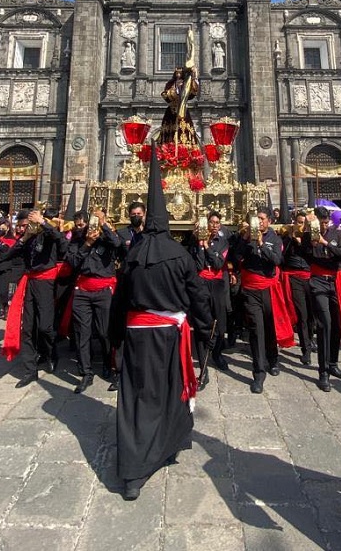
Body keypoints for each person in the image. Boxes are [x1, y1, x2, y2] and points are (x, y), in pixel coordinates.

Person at [109, 144, 213, 501]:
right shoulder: (180, 255)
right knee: (171, 389)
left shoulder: (134, 256)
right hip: (170, 336)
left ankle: (138, 469)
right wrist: (206, 325)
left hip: (138, 337)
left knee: (137, 397)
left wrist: (114, 337)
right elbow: (198, 295)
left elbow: (120, 300)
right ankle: (149, 457)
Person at [1, 209, 69, 387]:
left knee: (45, 326)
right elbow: (8, 255)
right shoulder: (28, 238)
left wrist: (44, 223)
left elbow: (62, 242)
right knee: (28, 327)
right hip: (29, 281)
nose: (25, 228)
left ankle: (50, 352)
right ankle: (30, 370)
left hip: (45, 282)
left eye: (29, 224)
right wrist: (24, 238)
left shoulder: (48, 235)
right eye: (22, 226)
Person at [231, 207, 293, 394]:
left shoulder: (274, 238)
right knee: (256, 329)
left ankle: (273, 359)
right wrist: (245, 239)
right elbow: (236, 257)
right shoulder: (247, 237)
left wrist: (261, 244)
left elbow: (276, 260)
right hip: (251, 291)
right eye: (257, 218)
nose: (259, 222)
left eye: (262, 219)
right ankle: (258, 373)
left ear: (269, 221)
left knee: (270, 326)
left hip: (269, 289)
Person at [66, 207, 121, 393]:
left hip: (103, 290)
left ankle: (107, 363)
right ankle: (86, 373)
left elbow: (118, 243)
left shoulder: (107, 237)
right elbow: (72, 261)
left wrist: (103, 223)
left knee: (105, 332)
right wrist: (87, 243)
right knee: (82, 332)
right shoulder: (78, 238)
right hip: (82, 290)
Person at [307, 206, 341, 392]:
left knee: (337, 323)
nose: (324, 225)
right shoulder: (308, 237)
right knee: (325, 323)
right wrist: (312, 245)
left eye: (326, 222)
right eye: (321, 223)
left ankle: (333, 363)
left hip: (335, 282)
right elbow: (308, 256)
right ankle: (323, 372)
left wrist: (326, 244)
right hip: (318, 282)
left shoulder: (336, 234)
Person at [189, 210, 230, 381]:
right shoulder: (196, 241)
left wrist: (207, 247)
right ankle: (203, 364)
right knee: (201, 322)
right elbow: (198, 264)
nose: (214, 225)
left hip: (217, 284)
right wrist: (199, 243)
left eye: (216, 223)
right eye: (211, 222)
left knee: (220, 325)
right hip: (201, 283)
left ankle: (217, 352)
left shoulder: (223, 242)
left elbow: (218, 262)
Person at [280, 211, 316, 366]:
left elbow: (312, 254)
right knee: (301, 314)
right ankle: (305, 349)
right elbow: (282, 256)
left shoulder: (309, 237)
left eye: (303, 223)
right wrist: (291, 239)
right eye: (299, 222)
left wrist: (302, 242)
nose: (301, 225)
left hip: (310, 277)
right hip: (294, 277)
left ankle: (310, 339)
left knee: (312, 314)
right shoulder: (287, 237)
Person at [159, 65, 199, 147]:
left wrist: (194, 77)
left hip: (183, 110)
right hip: (171, 111)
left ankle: (185, 148)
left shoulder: (186, 84)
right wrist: (175, 89)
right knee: (170, 131)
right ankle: (168, 148)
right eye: (177, 73)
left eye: (180, 73)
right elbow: (165, 95)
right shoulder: (170, 83)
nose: (178, 75)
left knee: (184, 130)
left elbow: (193, 93)